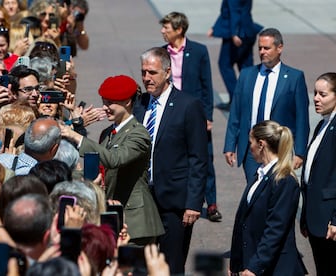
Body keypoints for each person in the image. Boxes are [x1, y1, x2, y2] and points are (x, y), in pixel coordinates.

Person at [60, 75, 164, 245]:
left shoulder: (138, 134)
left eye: (110, 103)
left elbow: (115, 159)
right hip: (112, 213)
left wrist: (75, 136)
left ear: (127, 102)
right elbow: (103, 166)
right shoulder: (108, 133)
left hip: (135, 221)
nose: (105, 107)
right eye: (104, 102)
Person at [133, 47, 208, 274]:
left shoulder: (188, 105)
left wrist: (194, 203)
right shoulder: (140, 103)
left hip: (174, 202)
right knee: (140, 264)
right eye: (144, 72)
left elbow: (199, 158)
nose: (146, 78)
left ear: (167, 72)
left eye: (152, 73)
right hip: (142, 199)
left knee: (172, 265)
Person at [223, 28, 310, 185]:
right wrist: (230, 144)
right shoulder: (247, 75)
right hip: (252, 149)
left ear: (280, 48)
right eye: (260, 48)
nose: (262, 52)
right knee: (254, 191)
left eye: (267, 48)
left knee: (276, 192)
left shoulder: (294, 78)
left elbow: (302, 118)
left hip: (279, 148)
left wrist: (300, 152)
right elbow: (236, 112)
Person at [159, 11, 221, 222]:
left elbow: (206, 85)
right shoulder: (161, 54)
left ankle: (210, 202)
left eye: (166, 28)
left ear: (179, 29)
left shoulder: (198, 51)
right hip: (171, 112)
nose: (162, 31)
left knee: (205, 157)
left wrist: (208, 116)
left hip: (195, 113)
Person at [230, 120, 306, 275]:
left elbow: (275, 229)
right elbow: (244, 220)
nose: (248, 147)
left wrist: (254, 266)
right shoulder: (260, 173)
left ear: (261, 144)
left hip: (275, 266)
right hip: (254, 260)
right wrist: (236, 262)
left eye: (250, 142)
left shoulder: (284, 181)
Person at [300, 72, 336, 275]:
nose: (316, 98)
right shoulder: (322, 124)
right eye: (315, 93)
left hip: (331, 221)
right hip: (316, 217)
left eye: (322, 94)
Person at [208, 0, 263, 110]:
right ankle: (249, 99)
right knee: (245, 67)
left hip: (237, 34)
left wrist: (234, 33)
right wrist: (215, 28)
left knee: (225, 64)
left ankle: (236, 100)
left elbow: (234, 11)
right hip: (248, 31)